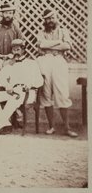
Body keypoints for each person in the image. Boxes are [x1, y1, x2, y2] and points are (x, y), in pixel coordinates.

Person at [0, 39, 44, 137]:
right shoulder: (10, 64)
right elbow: (0, 77)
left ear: (23, 50)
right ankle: (6, 124)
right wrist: (7, 85)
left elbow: (39, 81)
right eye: (14, 50)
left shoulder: (31, 63)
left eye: (18, 49)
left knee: (13, 99)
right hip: (13, 91)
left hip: (28, 92)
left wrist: (28, 85)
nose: (16, 52)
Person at [36, 9, 78, 137]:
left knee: (62, 93)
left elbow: (67, 46)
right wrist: (58, 43)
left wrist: (49, 46)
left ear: (56, 18)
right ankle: (51, 127)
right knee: (46, 93)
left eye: (52, 18)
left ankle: (67, 127)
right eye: (47, 19)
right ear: (44, 20)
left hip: (59, 62)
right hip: (45, 61)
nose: (50, 21)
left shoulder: (63, 31)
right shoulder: (41, 32)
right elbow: (40, 45)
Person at [0, 3, 23, 76]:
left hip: (11, 60)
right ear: (2, 14)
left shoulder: (16, 30)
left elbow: (22, 46)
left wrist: (15, 59)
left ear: (13, 15)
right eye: (6, 13)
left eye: (10, 13)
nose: (8, 15)